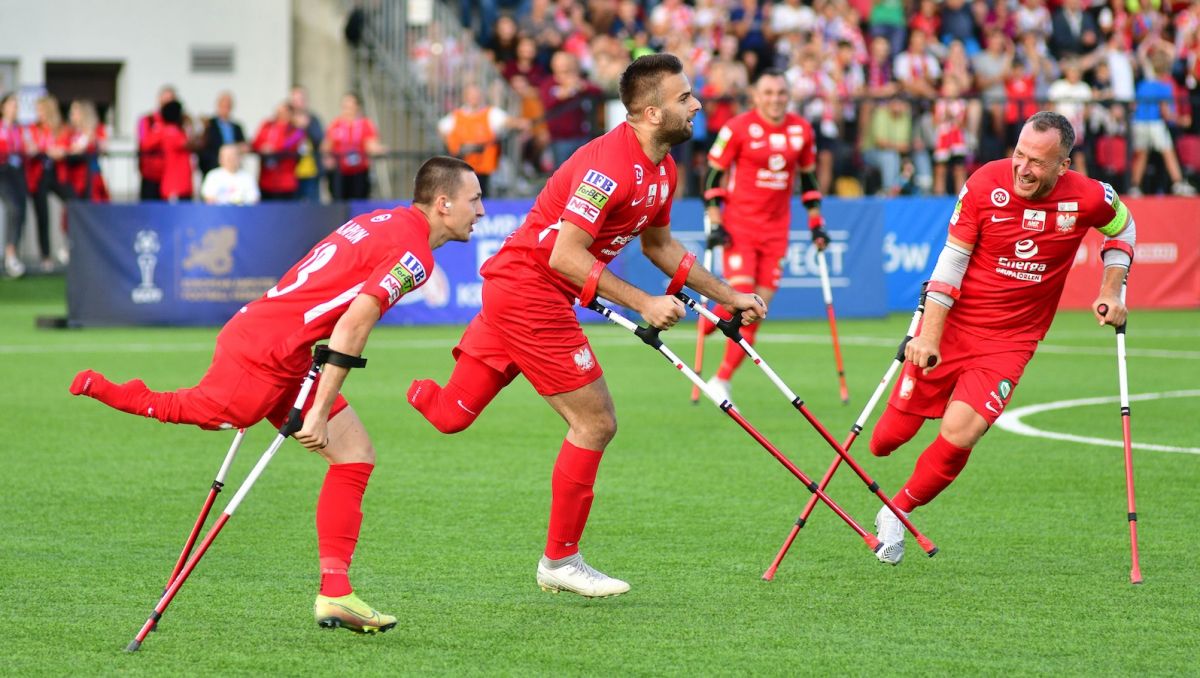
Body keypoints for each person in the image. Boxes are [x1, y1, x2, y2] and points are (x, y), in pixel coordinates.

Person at [69, 156, 484, 633]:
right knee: (210, 412)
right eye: (474, 200)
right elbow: (352, 326)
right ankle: (118, 392)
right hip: (264, 354)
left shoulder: (382, 219)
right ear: (443, 203)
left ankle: (336, 593)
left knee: (354, 455)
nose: (481, 211)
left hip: (279, 347)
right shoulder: (415, 256)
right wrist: (320, 410)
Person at [407, 54, 766, 598]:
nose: (696, 105)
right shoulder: (608, 167)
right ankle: (560, 561)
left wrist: (731, 296)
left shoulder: (665, 167)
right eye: (685, 98)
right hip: (532, 291)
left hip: (514, 286)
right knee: (596, 423)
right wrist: (644, 302)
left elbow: (661, 246)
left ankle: (412, 391)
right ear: (650, 112)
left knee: (451, 415)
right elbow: (565, 256)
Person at [867, 111, 1135, 564]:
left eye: (1036, 162)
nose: (1022, 169)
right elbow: (951, 263)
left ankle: (897, 511)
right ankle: (919, 408)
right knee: (884, 442)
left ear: (1062, 167)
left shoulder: (1090, 197)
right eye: (1019, 154)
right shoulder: (982, 184)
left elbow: (1123, 228)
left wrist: (1112, 288)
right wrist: (928, 337)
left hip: (1011, 342)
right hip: (952, 326)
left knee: (962, 431)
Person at [699, 68, 828, 404]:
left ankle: (721, 378)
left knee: (756, 309)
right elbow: (714, 176)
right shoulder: (737, 128)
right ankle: (715, 320)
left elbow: (809, 180)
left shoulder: (801, 130)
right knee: (743, 298)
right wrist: (715, 220)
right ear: (755, 96)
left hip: (777, 231)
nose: (775, 99)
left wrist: (816, 223)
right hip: (739, 228)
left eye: (781, 93)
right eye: (768, 93)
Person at [438, 83, 517, 197]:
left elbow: (508, 121)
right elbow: (442, 129)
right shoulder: (457, 116)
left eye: (476, 95)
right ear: (465, 97)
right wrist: (454, 146)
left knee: (483, 194)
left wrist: (519, 124)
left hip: (485, 167)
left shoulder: (490, 113)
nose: (474, 98)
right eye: (471, 95)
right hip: (464, 165)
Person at [321, 92, 384, 200]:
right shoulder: (335, 124)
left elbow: (371, 145)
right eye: (345, 106)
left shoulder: (365, 124)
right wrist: (327, 158)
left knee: (359, 203)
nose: (347, 109)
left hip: (359, 172)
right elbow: (326, 146)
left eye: (350, 106)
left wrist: (378, 149)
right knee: (338, 202)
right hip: (339, 173)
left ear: (357, 107)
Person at [252, 101, 304, 201]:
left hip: (286, 182)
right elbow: (256, 143)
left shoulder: (296, 131)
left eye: (283, 111)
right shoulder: (267, 125)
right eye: (278, 111)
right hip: (266, 180)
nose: (279, 114)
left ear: (290, 113)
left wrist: (272, 148)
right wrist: (262, 147)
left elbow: (288, 145)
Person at [0, 92, 28, 277]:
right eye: (12, 104)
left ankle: (13, 253)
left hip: (17, 171)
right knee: (14, 208)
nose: (15, 108)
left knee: (21, 210)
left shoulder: (20, 129)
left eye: (16, 105)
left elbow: (26, 147)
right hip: (2, 171)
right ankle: (10, 254)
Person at [137, 85, 177, 201]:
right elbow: (145, 143)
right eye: (165, 100)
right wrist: (164, 131)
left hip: (170, 177)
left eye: (170, 100)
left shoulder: (178, 122)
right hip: (151, 176)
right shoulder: (147, 120)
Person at [197, 91, 247, 178]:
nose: (226, 109)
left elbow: (243, 145)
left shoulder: (236, 127)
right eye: (223, 106)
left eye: (228, 106)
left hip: (232, 169)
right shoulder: (209, 124)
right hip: (213, 167)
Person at [289, 86, 324, 202]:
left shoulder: (313, 119)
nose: (299, 103)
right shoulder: (287, 120)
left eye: (301, 99)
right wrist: (298, 128)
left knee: (313, 206)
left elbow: (319, 140)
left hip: (311, 171)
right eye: (295, 100)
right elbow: (285, 143)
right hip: (291, 172)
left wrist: (307, 127)